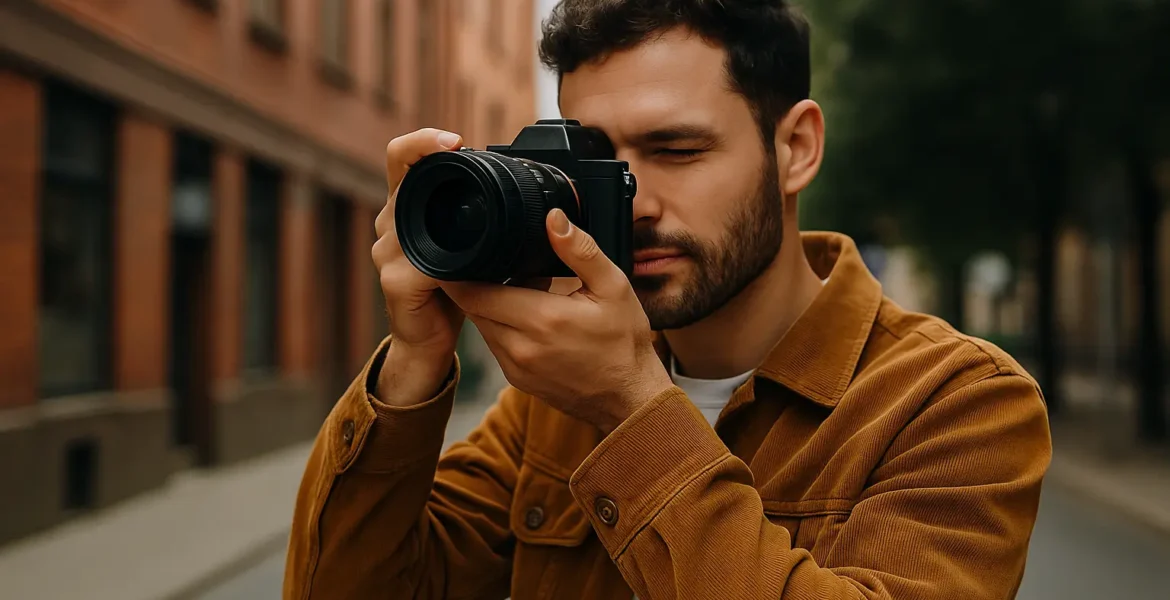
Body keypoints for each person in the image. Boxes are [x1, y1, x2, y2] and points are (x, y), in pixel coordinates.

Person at [283, 1, 1052, 598]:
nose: (635, 202)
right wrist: (415, 361)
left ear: (796, 148)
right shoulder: (552, 405)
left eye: (677, 151)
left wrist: (631, 409)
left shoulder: (955, 403)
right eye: (596, 160)